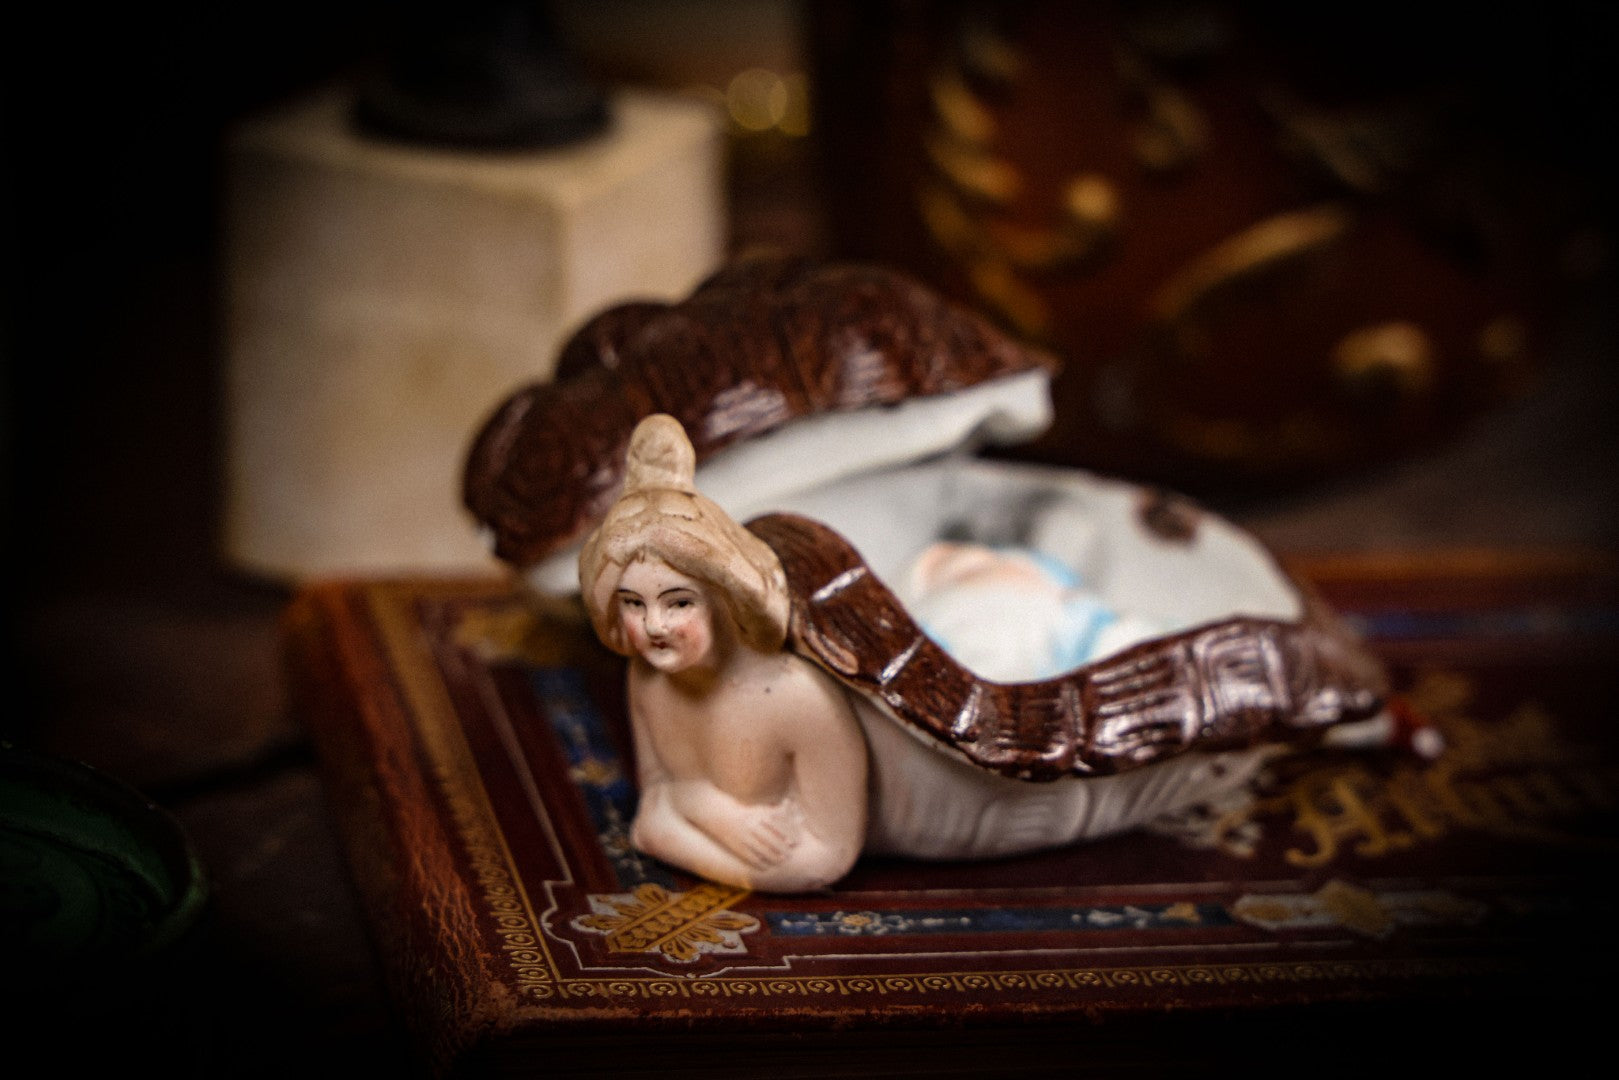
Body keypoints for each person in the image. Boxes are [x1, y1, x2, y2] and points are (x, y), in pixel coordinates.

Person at [578, 415, 868, 892]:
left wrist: (670, 826)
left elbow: (824, 859)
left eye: (678, 603)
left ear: (725, 599)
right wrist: (706, 807)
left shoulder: (798, 699)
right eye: (633, 604)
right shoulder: (646, 678)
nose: (654, 626)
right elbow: (653, 803)